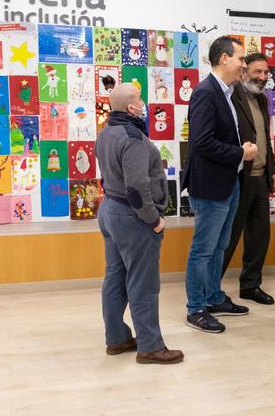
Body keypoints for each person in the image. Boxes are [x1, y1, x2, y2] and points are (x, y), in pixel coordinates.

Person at [95, 83, 184, 365]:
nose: (143, 102)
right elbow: (136, 188)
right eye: (139, 99)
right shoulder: (132, 138)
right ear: (130, 107)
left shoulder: (106, 133)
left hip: (110, 211)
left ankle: (117, 338)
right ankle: (150, 346)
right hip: (132, 218)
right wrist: (154, 219)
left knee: (115, 277)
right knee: (143, 284)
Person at [182, 36, 258, 334]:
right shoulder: (205, 93)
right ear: (224, 58)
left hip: (229, 182)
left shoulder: (227, 91)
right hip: (211, 186)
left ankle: (213, 297)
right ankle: (195, 308)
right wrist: (241, 152)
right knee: (203, 249)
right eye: (241, 59)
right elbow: (201, 144)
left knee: (220, 246)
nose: (244, 65)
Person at [221, 53, 275, 305]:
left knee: (259, 237)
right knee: (228, 238)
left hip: (260, 178)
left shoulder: (262, 99)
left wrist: (273, 169)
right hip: (238, 178)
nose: (263, 77)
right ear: (244, 72)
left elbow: (264, 138)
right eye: (258, 71)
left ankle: (250, 286)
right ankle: (210, 291)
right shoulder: (230, 97)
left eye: (266, 72)